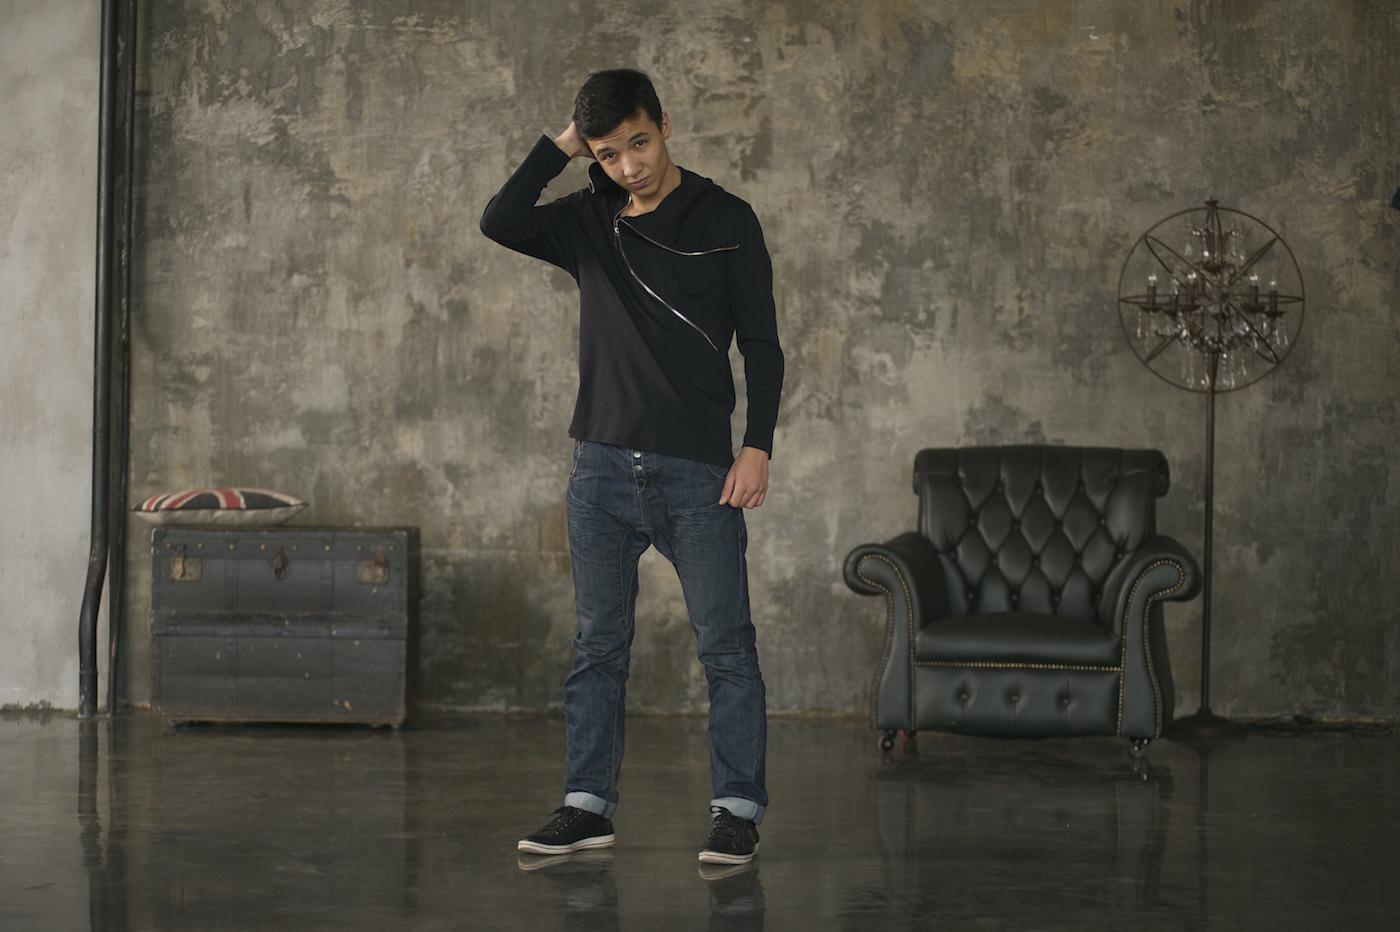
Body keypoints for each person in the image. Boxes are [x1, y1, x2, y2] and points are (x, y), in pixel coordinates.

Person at [480, 68, 784, 866]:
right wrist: (563, 145)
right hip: (601, 471)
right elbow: (499, 219)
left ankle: (737, 812)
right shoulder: (590, 220)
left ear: (666, 124)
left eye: (639, 144)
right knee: (598, 645)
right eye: (609, 154)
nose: (629, 167)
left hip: (698, 474)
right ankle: (587, 807)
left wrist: (758, 445)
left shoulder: (726, 218)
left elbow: (762, 343)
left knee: (727, 648)